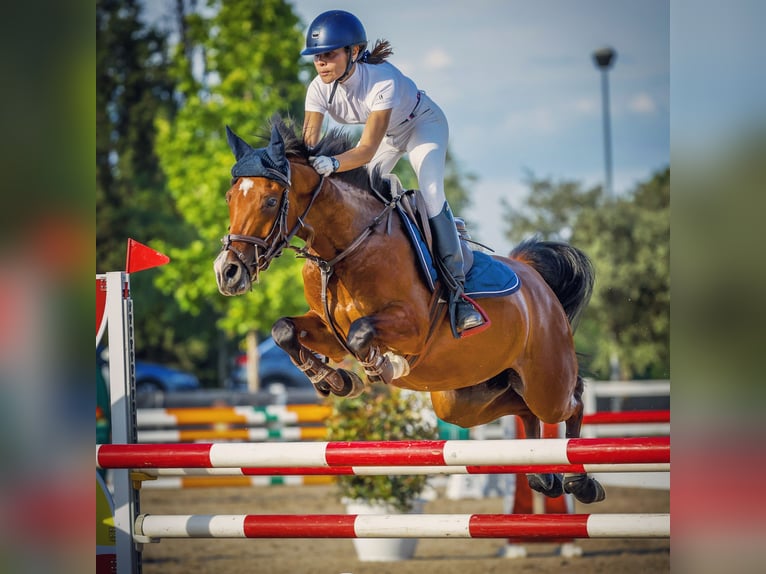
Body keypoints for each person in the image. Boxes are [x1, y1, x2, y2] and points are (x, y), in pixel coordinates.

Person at [300, 9, 484, 336]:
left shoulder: (380, 80)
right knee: (360, 197)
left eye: (329, 55)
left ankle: (459, 294)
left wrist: (334, 164)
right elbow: (307, 145)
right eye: (316, 57)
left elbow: (366, 150)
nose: (321, 63)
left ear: (353, 52)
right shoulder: (317, 89)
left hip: (422, 124)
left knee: (429, 195)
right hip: (388, 134)